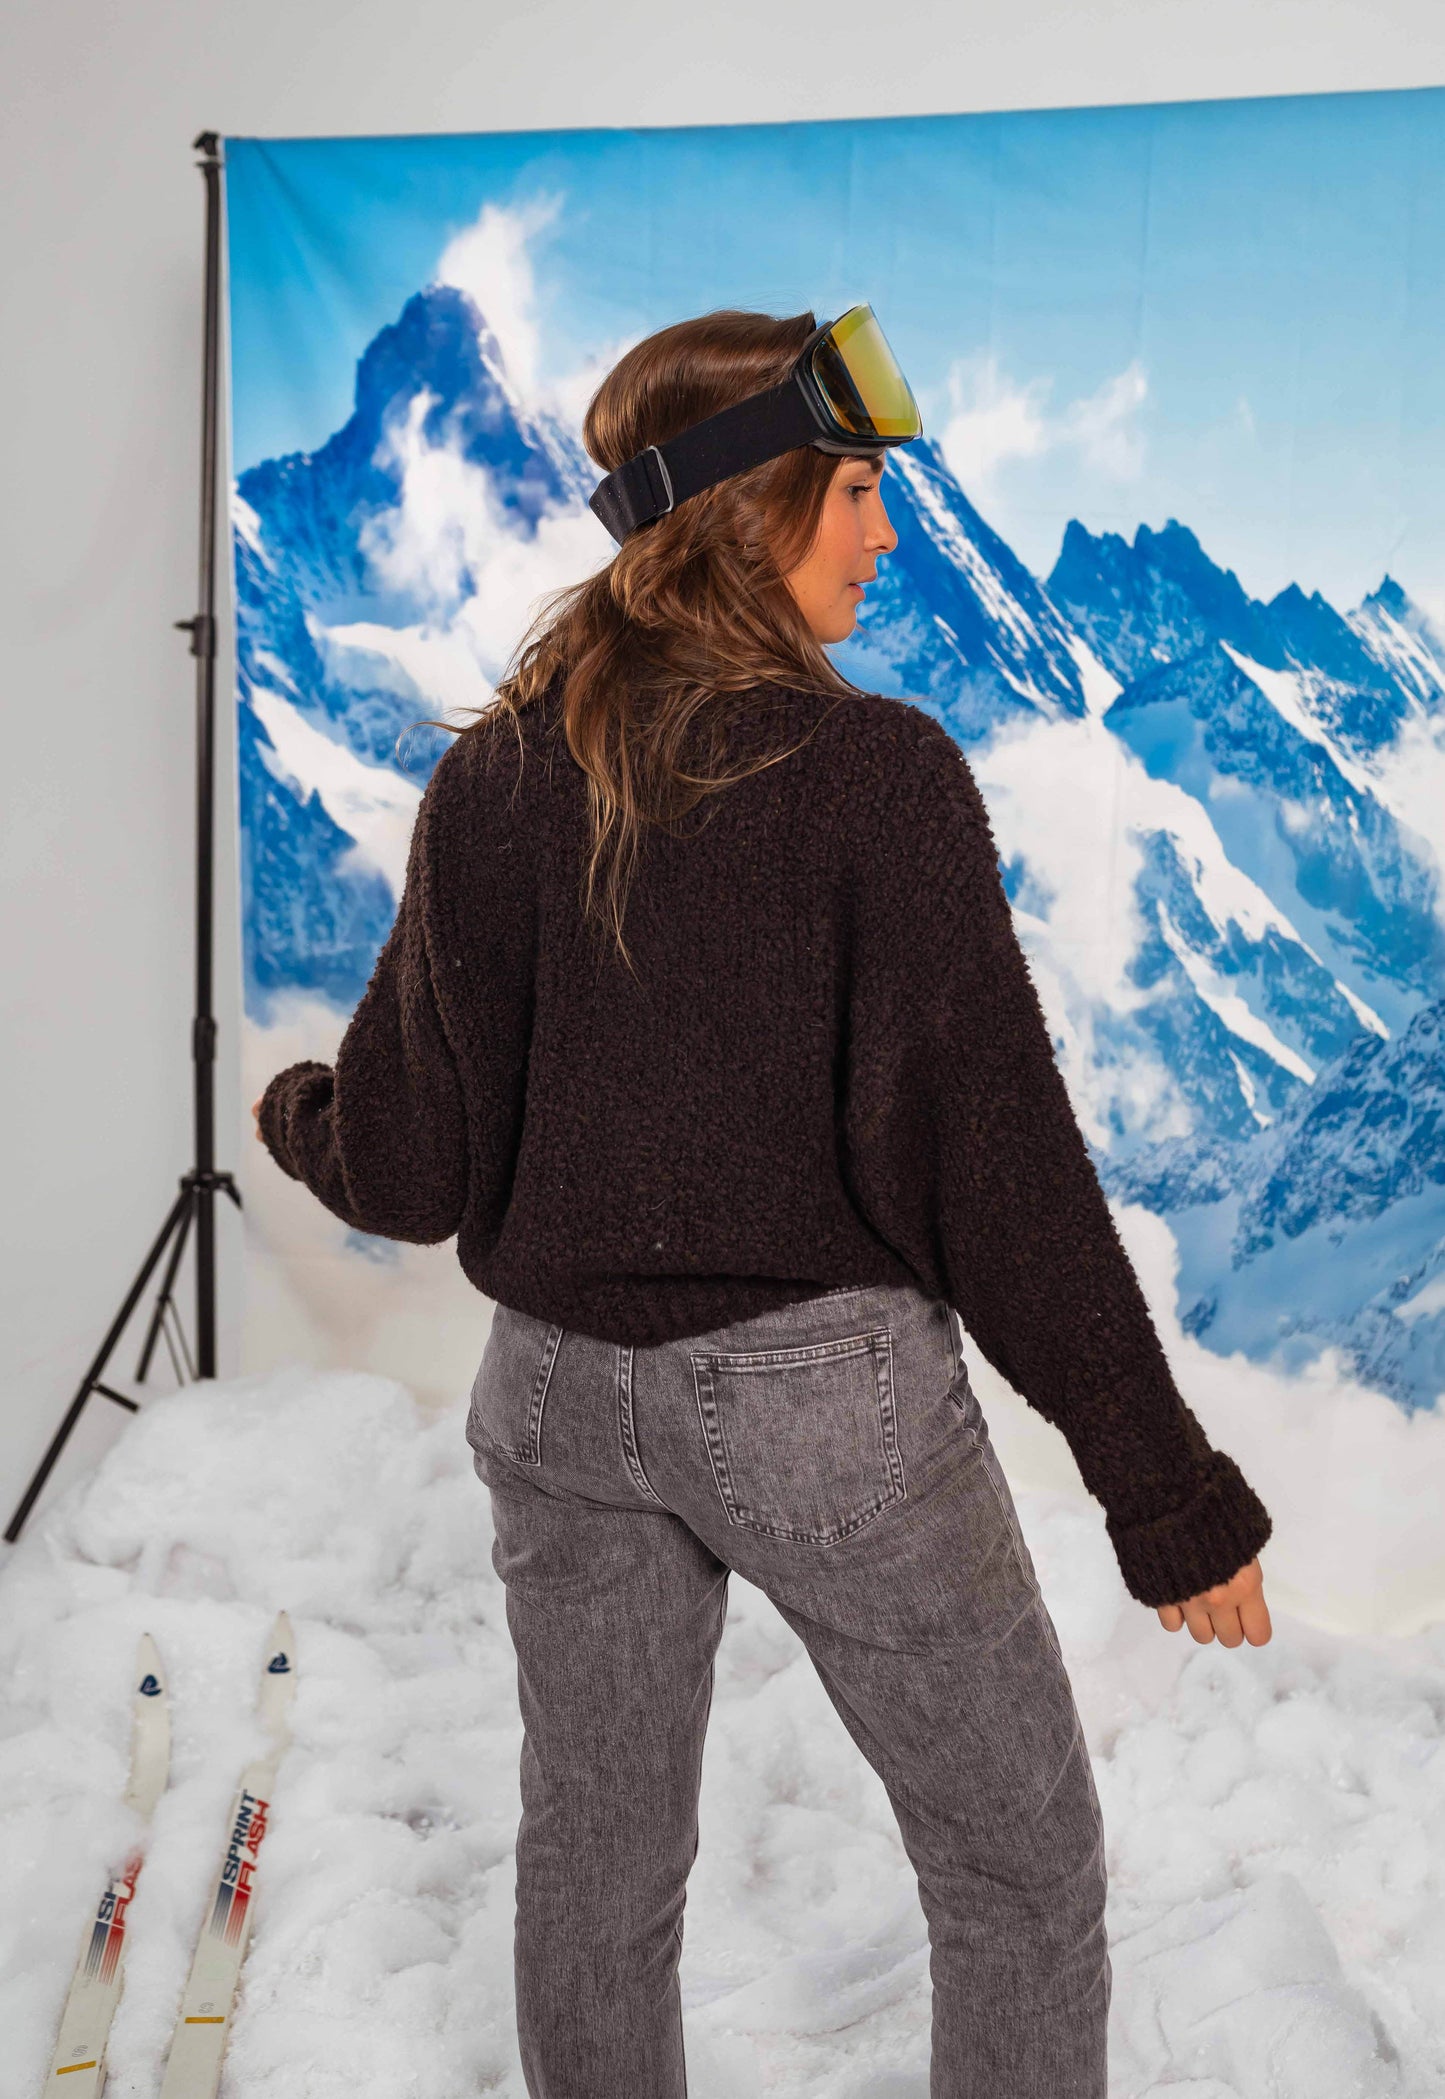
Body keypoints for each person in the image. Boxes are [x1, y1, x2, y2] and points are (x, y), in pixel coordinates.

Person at [254, 304, 1273, 2098]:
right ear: (747, 502)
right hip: (823, 1415)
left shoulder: (492, 777)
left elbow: (404, 1173)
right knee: (1017, 1877)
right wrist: (1164, 1489)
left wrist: (301, 1111)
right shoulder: (876, 777)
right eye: (856, 491)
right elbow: (999, 1176)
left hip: (553, 1400)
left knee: (595, 1873)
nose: (886, 532)